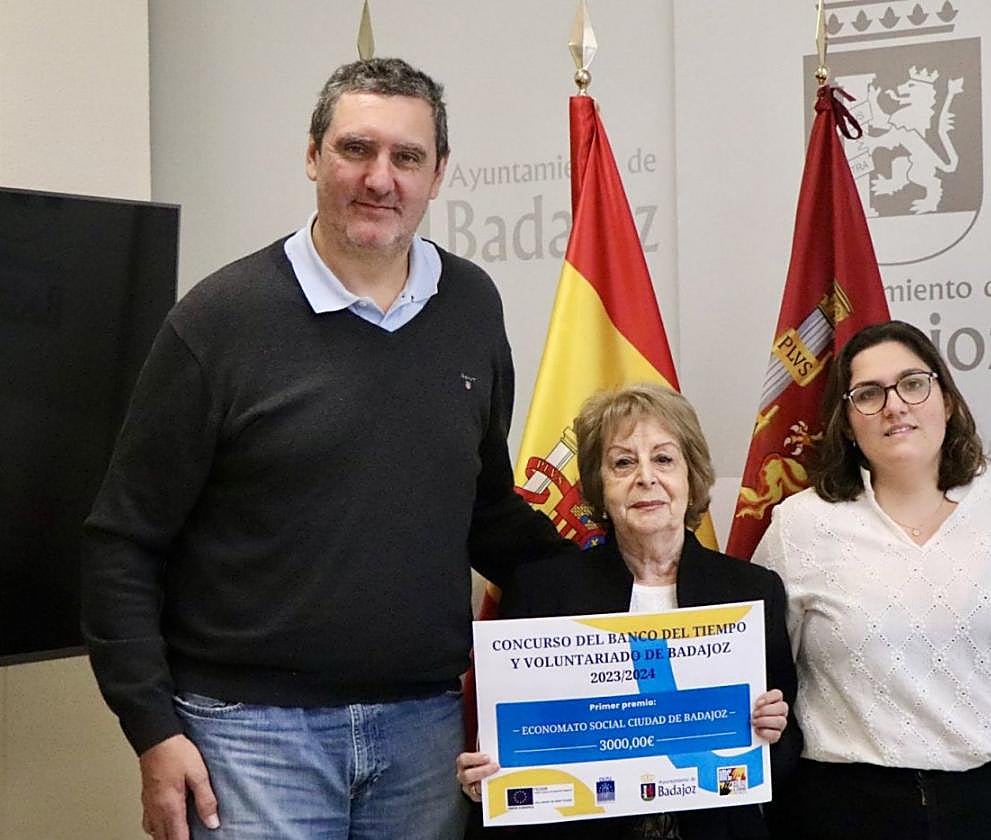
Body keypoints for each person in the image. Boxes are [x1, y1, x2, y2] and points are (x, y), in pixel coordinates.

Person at [81, 58, 567, 840]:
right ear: (313, 156)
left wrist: (634, 577)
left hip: (424, 732)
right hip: (249, 739)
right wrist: (152, 730)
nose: (380, 178)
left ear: (439, 173)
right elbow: (122, 544)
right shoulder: (218, 320)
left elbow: (482, 508)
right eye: (356, 149)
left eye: (407, 157)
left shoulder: (471, 305)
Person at [752, 320, 991, 839]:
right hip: (847, 809)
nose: (894, 406)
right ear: (847, 423)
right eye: (869, 394)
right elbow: (763, 670)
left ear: (947, 401)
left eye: (913, 384)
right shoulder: (799, 526)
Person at [456, 383, 800, 840]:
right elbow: (514, 749)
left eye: (664, 459)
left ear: (692, 477)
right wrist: (486, 779)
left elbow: (785, 755)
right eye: (623, 463)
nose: (645, 477)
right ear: (599, 487)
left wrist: (771, 732)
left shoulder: (751, 592)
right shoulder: (542, 592)